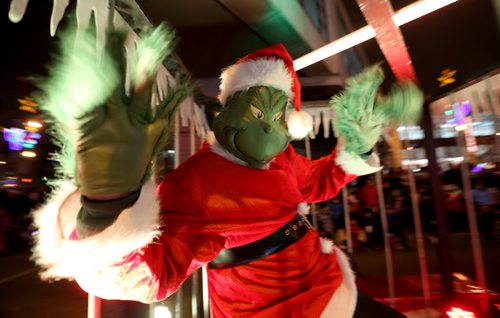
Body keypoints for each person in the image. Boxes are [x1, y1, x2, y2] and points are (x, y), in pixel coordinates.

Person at [31, 23, 422, 317]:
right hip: (266, 309)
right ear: (230, 111)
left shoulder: (282, 160)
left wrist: (356, 147)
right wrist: (106, 207)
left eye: (278, 116)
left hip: (327, 281)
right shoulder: (195, 184)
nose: (268, 126)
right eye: (256, 111)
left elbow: (318, 182)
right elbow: (154, 274)